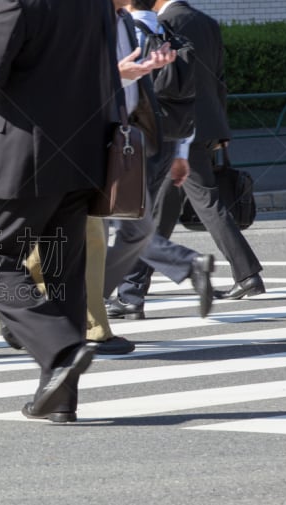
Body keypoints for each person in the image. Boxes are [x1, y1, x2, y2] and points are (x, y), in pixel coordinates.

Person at [0, 0, 110, 421]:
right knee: (64, 274)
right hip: (84, 150)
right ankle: (60, 399)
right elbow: (106, 74)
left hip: (25, 152)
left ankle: (62, 349)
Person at [104, 0, 214, 322]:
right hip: (159, 140)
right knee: (131, 224)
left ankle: (100, 301)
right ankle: (126, 297)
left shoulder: (126, 29)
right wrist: (181, 151)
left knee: (119, 224)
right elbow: (184, 98)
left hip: (123, 143)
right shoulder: (167, 34)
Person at [152, 0, 265, 300]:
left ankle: (248, 273)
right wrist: (222, 128)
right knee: (165, 205)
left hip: (178, 127)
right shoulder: (208, 22)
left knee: (205, 202)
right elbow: (219, 79)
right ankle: (134, 284)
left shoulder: (165, 24)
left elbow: (165, 81)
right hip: (206, 124)